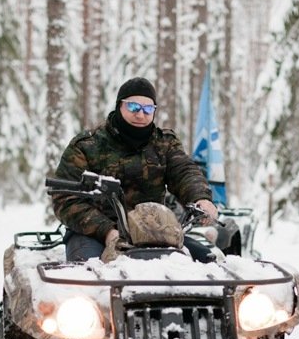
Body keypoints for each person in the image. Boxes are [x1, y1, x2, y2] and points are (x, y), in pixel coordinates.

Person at [51, 77, 218, 262]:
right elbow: (65, 199)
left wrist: (201, 199)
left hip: (154, 231)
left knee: (209, 262)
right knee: (85, 272)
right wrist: (106, 231)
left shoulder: (165, 144)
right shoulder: (86, 146)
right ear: (119, 106)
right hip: (94, 233)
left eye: (148, 109)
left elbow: (184, 172)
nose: (141, 114)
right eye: (133, 107)